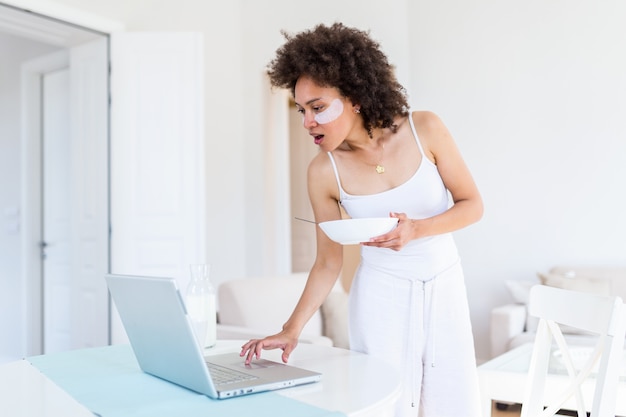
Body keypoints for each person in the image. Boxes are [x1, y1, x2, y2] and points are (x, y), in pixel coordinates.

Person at [240, 22, 483, 417]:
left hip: (444, 286)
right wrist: (291, 329)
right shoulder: (323, 172)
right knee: (384, 405)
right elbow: (327, 262)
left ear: (354, 97)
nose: (307, 122)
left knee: (452, 403)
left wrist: (417, 229)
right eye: (302, 110)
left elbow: (473, 204)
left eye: (318, 107)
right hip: (380, 298)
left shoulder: (425, 129)